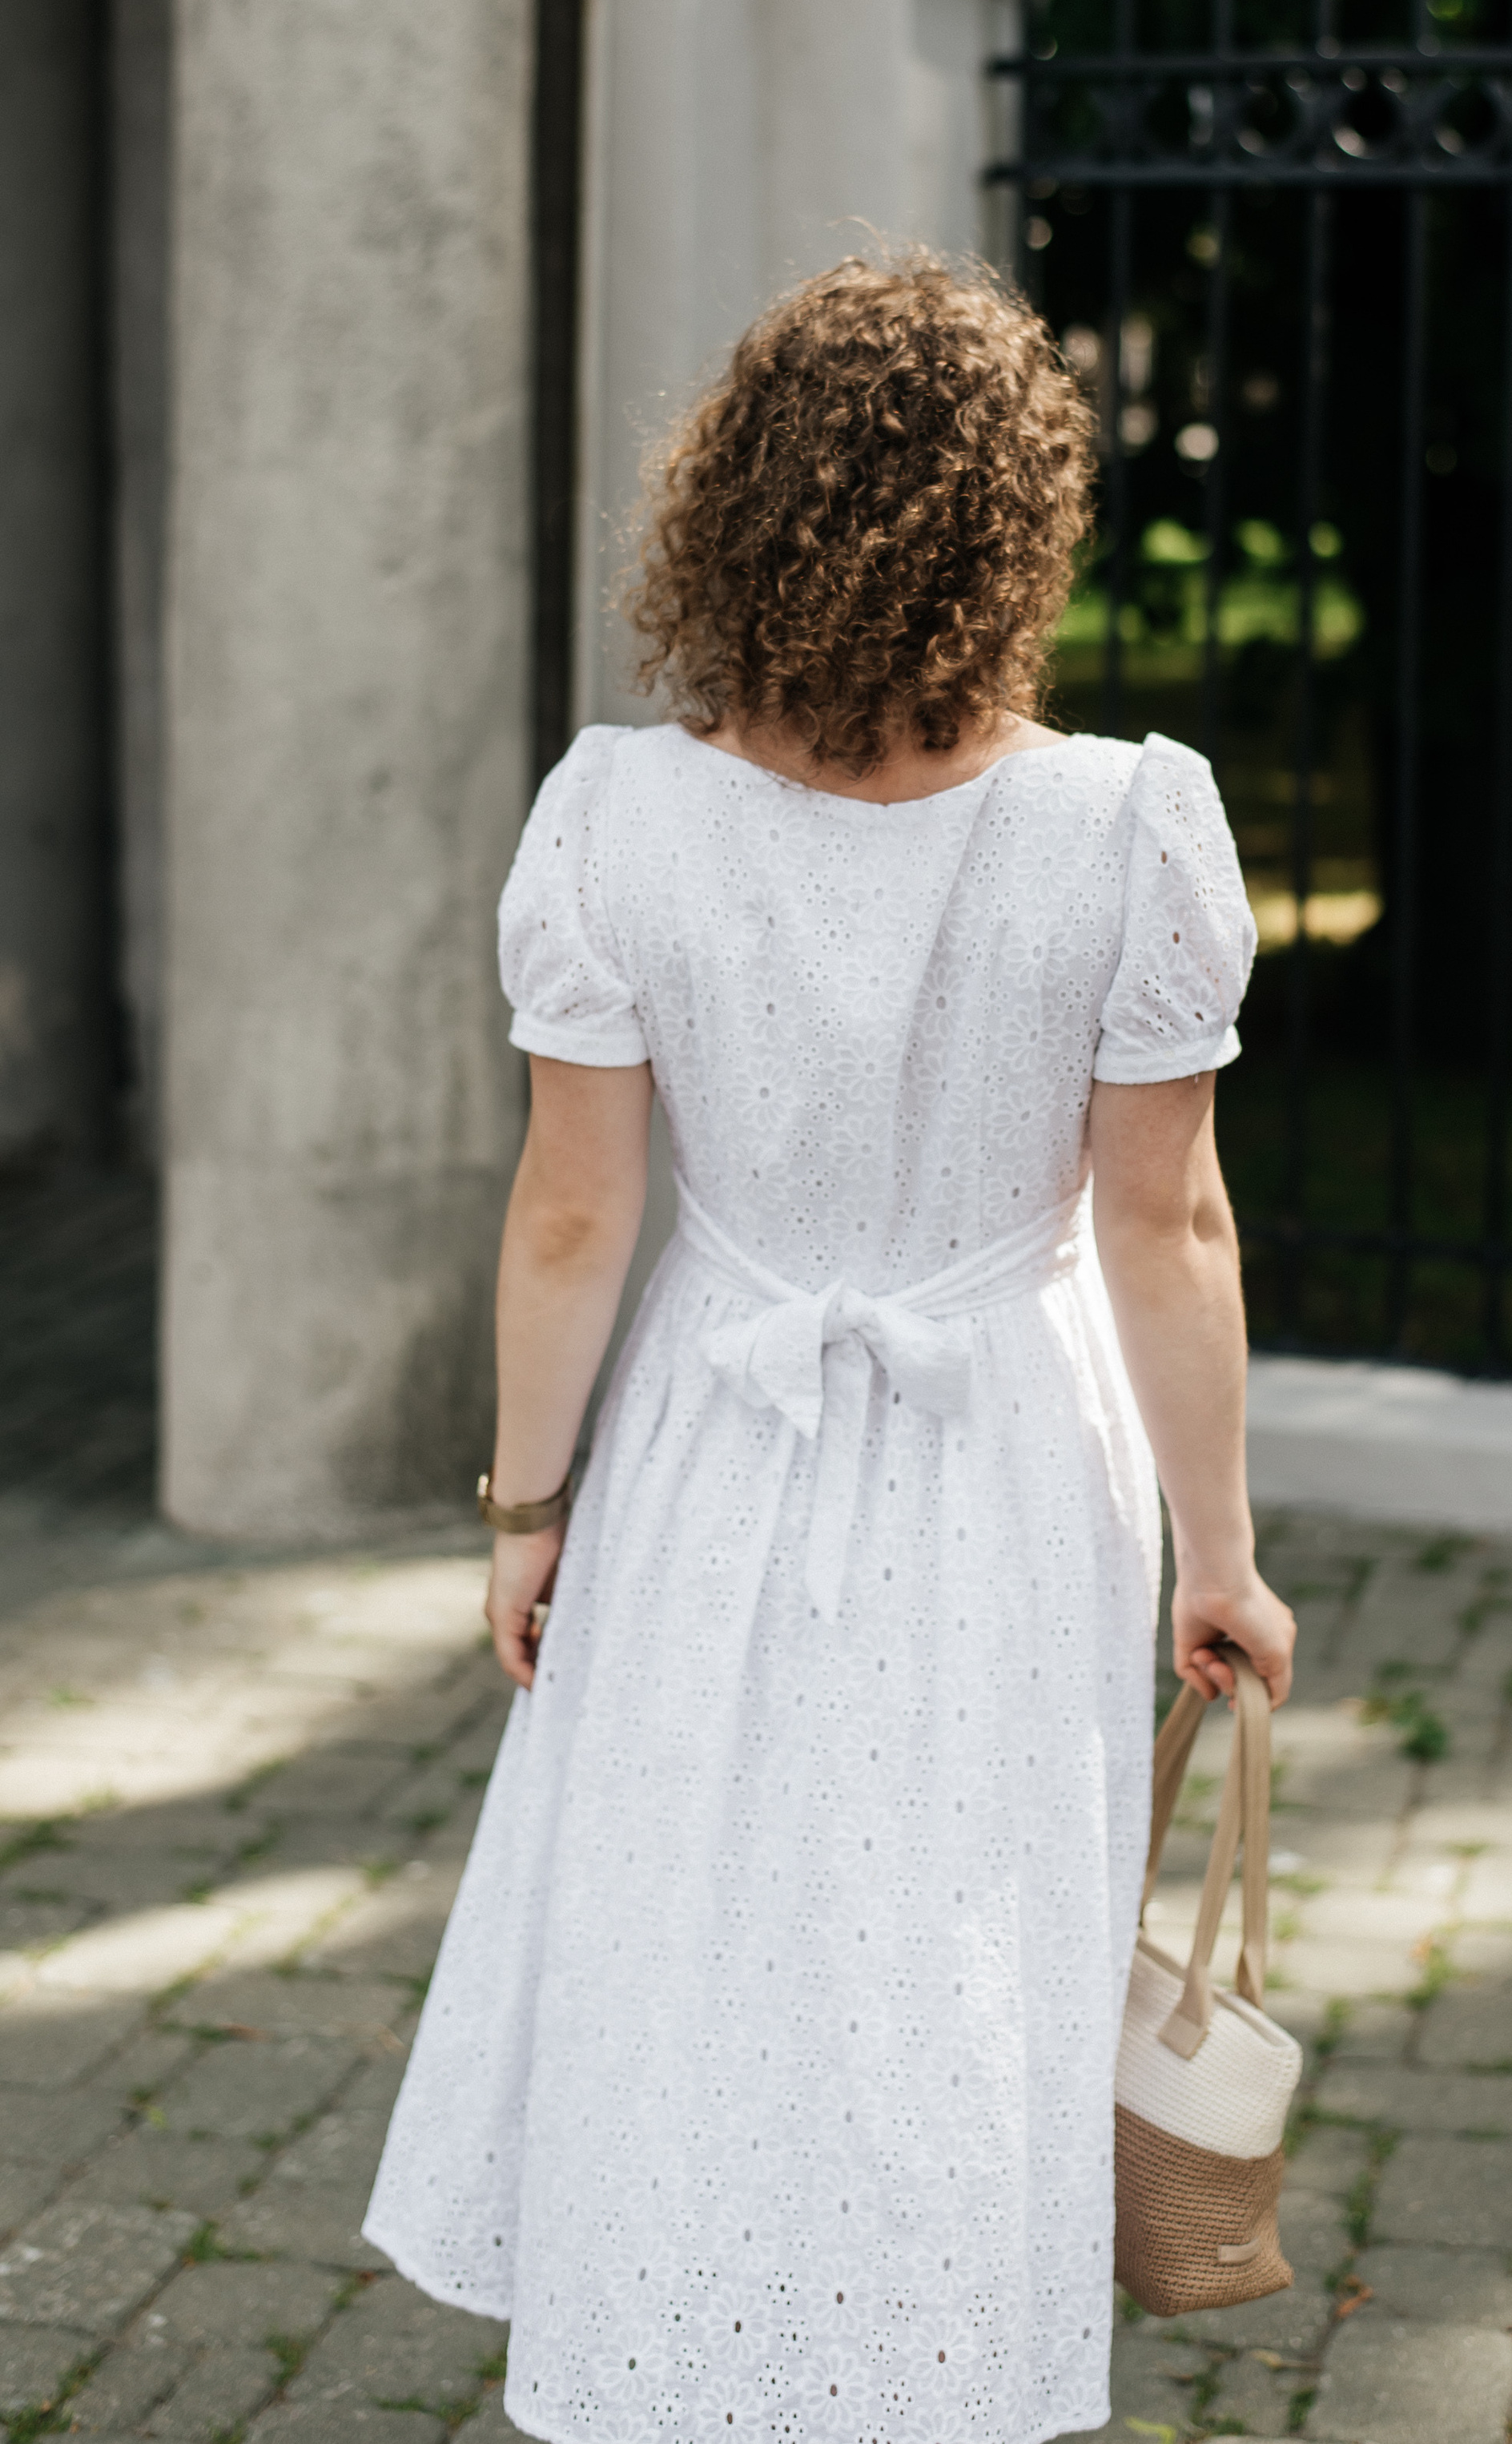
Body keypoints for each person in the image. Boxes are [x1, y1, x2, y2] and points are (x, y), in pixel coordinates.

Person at [364, 254, 1297, 2444]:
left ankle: (687, 2351)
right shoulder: (1128, 828)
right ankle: (937, 2369)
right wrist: (1223, 1556)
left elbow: (575, 1211)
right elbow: (1166, 1224)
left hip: (714, 1441)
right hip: (1016, 1459)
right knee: (969, 1930)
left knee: (694, 1914)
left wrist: (525, 1509)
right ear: (1019, 525)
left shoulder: (617, 817)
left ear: (735, 503)